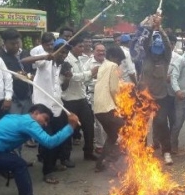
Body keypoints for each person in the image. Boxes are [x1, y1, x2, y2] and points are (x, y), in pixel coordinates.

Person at [21, 39, 72, 183]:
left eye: (65, 52)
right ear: (53, 50)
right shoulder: (44, 62)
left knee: (58, 138)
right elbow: (24, 60)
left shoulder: (62, 67)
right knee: (48, 140)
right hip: (43, 107)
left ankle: (52, 163)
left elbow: (63, 88)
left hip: (57, 106)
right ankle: (47, 172)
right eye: (61, 51)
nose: (63, 54)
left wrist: (68, 79)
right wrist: (45, 56)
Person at [138, 14, 175, 165]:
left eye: (159, 50)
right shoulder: (145, 56)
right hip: (145, 96)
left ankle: (166, 152)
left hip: (161, 96)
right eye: (155, 49)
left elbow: (167, 45)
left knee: (161, 123)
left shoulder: (166, 58)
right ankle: (141, 152)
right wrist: (153, 28)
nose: (157, 53)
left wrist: (160, 28)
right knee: (142, 124)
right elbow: (145, 42)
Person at [61, 36, 99, 164]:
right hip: (69, 100)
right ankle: (65, 157)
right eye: (80, 46)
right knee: (69, 129)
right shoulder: (66, 61)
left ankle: (88, 152)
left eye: (83, 46)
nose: (83, 49)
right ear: (72, 47)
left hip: (82, 98)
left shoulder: (80, 60)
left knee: (89, 126)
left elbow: (83, 80)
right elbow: (73, 77)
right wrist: (90, 73)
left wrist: (92, 76)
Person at [93, 46, 126, 173]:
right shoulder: (113, 66)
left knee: (112, 136)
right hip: (108, 107)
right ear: (114, 57)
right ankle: (116, 164)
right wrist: (119, 105)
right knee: (126, 131)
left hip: (99, 108)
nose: (120, 63)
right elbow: (113, 89)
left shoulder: (103, 65)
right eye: (120, 61)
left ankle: (100, 163)